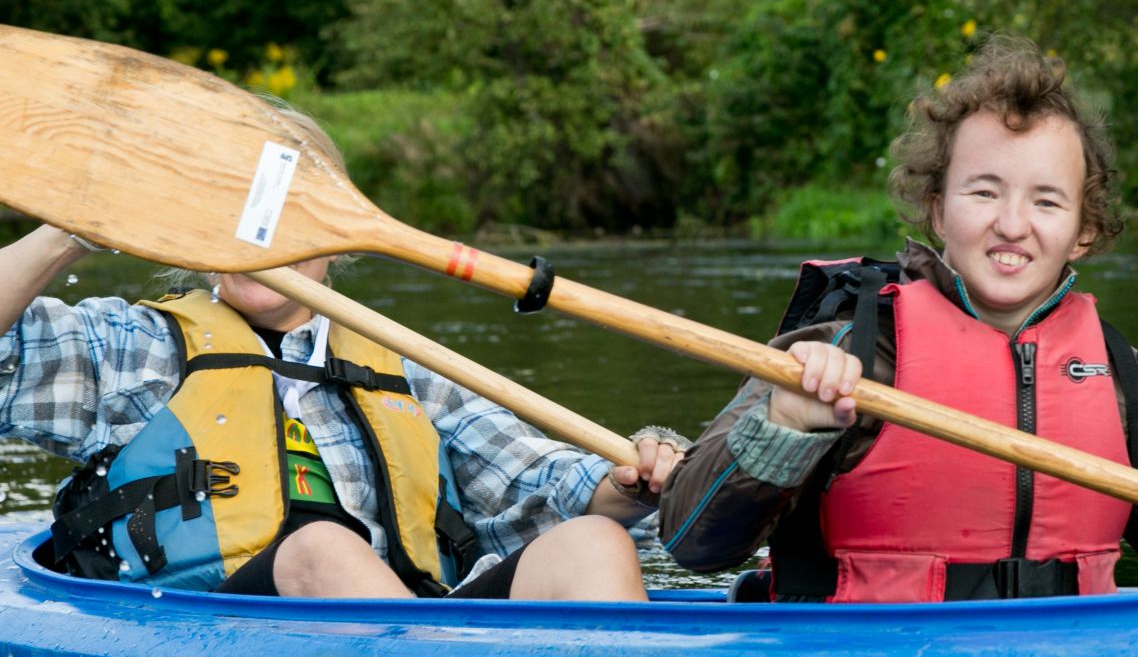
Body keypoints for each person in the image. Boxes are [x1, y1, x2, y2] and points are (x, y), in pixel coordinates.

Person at [656, 36, 1138, 602]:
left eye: (1046, 201)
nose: (1012, 224)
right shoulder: (849, 350)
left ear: (1084, 230)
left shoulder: (1116, 380)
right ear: (937, 208)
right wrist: (786, 425)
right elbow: (692, 541)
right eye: (983, 192)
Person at [0, 116, 682, 602]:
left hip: (410, 625)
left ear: (335, 246)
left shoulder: (407, 367)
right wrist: (71, 229)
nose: (263, 241)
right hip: (214, 627)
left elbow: (543, 484)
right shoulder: (134, 347)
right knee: (322, 548)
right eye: (241, 218)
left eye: (292, 222)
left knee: (593, 541)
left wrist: (630, 483)